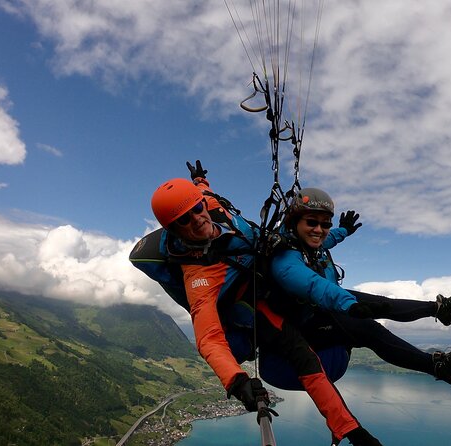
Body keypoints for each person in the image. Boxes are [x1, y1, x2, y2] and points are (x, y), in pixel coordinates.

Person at [135, 163, 385, 445]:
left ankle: (349, 426)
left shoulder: (212, 206)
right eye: (184, 220)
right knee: (303, 356)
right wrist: (236, 381)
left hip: (271, 279)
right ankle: (352, 431)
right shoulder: (197, 276)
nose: (196, 219)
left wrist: (199, 180)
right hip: (257, 305)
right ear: (173, 229)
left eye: (196, 208)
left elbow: (204, 193)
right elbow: (208, 338)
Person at [268, 187, 451, 399]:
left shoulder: (305, 244)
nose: (319, 229)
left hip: (318, 310)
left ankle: (440, 310)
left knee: (382, 303)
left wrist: (343, 231)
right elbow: (315, 286)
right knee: (369, 330)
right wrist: (351, 306)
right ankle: (441, 368)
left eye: (325, 223)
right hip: (300, 331)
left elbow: (325, 239)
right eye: (312, 222)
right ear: (294, 222)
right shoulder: (285, 263)